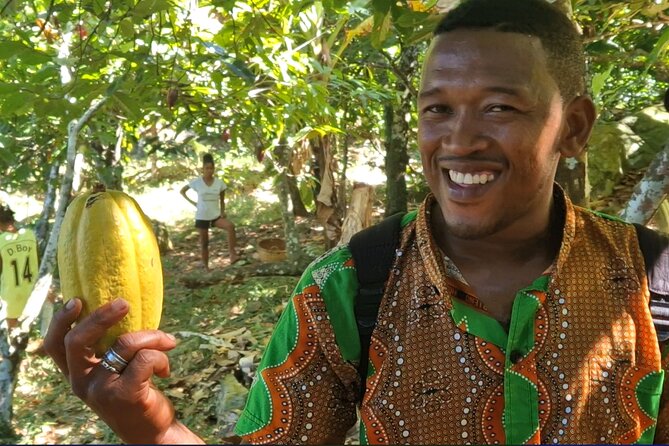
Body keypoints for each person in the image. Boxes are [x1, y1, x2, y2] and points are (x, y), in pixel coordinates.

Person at [44, 0, 669, 443]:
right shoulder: (347, 286)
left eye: (500, 107)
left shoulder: (653, 280)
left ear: (576, 128)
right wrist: (147, 426)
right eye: (438, 109)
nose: (460, 139)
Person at [180, 152, 240, 270]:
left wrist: (223, 211)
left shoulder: (219, 183)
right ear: (202, 169)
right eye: (206, 168)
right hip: (202, 216)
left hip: (216, 216)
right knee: (204, 243)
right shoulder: (197, 182)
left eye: (211, 168)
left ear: (214, 169)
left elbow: (222, 200)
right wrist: (193, 203)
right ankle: (206, 267)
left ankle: (232, 254)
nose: (209, 170)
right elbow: (182, 191)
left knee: (230, 226)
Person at [0, 204, 39, 329]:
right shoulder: (30, 235)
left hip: (11, 295)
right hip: (33, 291)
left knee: (13, 334)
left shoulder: (1, 241)